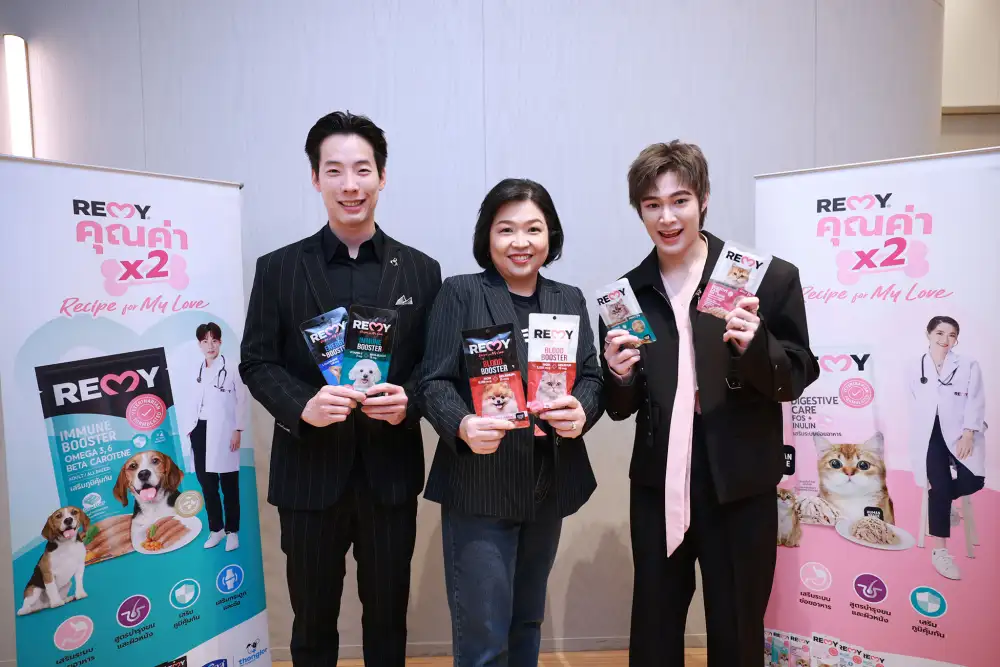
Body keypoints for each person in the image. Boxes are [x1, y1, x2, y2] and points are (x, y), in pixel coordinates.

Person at [599, 141, 819, 666]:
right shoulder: (627, 295)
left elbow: (796, 375)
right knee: (654, 624)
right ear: (639, 211)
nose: (667, 218)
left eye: (680, 201)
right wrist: (618, 375)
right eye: (652, 205)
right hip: (658, 481)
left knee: (737, 626)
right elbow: (621, 406)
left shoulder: (766, 278)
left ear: (703, 200)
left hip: (739, 478)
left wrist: (756, 345)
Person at [239, 111, 442, 667]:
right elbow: (256, 361)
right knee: (311, 622)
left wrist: (410, 400)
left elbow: (435, 365)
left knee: (388, 619)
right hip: (308, 476)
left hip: (389, 476)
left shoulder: (421, 271)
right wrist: (302, 405)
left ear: (382, 176)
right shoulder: (278, 268)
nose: (350, 185)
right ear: (315, 178)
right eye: (334, 170)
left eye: (362, 169)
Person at [416, 178, 604, 667]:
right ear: (488, 236)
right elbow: (432, 382)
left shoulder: (568, 298)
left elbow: (591, 376)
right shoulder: (461, 293)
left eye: (533, 229)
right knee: (484, 637)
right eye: (506, 229)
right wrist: (461, 424)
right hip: (481, 482)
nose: (521, 242)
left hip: (548, 481)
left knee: (527, 622)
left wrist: (582, 410)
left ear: (550, 235)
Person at [908, 315, 986, 580]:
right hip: (929, 436)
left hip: (960, 433)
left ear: (957, 340)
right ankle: (939, 552)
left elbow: (976, 400)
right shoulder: (914, 366)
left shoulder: (968, 364)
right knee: (939, 488)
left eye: (952, 335)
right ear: (928, 334)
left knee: (974, 480)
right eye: (940, 333)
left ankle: (942, 501)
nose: (945, 340)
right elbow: (913, 402)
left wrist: (968, 434)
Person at [180, 321, 248, 552]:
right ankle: (216, 529)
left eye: (214, 340)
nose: (210, 346)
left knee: (229, 484)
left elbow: (242, 400)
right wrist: (190, 429)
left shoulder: (233, 367)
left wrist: (238, 430)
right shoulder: (196, 371)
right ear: (199, 344)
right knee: (207, 484)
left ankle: (232, 531)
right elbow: (190, 402)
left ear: (220, 342)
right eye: (205, 341)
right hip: (200, 430)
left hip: (225, 430)